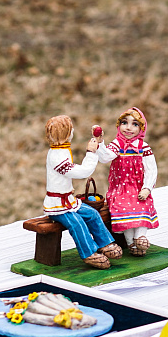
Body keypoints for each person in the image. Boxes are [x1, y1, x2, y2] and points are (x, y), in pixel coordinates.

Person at [43, 115, 122, 269]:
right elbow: (82, 172)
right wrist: (91, 153)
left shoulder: (62, 150)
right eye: (70, 129)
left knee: (92, 214)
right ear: (65, 133)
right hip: (57, 206)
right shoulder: (57, 156)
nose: (73, 132)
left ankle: (105, 243)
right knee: (77, 223)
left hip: (68, 201)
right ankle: (89, 253)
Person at [94, 107, 159, 257]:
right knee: (123, 208)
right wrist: (100, 143)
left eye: (135, 124)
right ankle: (131, 243)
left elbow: (151, 170)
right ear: (119, 125)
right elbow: (105, 157)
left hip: (138, 188)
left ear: (141, 128)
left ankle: (140, 237)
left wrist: (147, 188)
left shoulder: (143, 147)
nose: (128, 128)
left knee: (143, 205)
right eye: (124, 123)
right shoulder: (117, 144)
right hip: (121, 189)